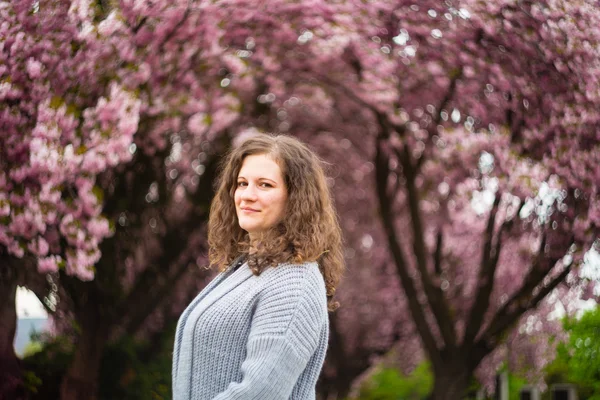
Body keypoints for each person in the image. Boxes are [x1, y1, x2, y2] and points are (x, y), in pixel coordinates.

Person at [172, 134, 344, 400]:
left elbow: (259, 393)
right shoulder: (247, 270)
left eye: (264, 185)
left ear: (295, 198)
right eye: (242, 183)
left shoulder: (293, 283)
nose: (247, 196)